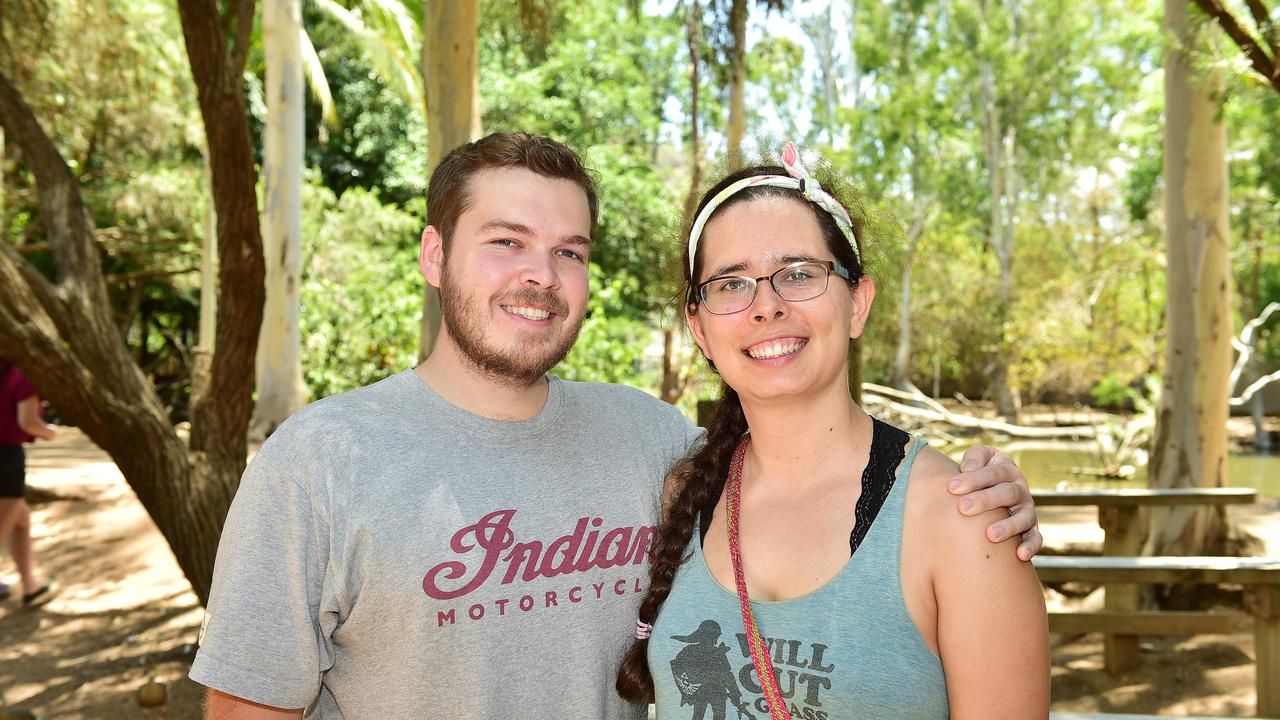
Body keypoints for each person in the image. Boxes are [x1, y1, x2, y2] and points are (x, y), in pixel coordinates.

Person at [190, 132, 1043, 719]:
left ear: (856, 301)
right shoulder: (321, 463)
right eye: (506, 241)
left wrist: (976, 500)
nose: (540, 275)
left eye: (570, 250)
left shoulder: (650, 443)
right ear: (433, 255)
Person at [616, 146, 1050, 719]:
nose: (766, 305)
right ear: (698, 327)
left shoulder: (962, 520)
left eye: (799, 274)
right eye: (730, 284)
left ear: (858, 303)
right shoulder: (684, 493)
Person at [0, 359, 58, 607]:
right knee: (5, 521)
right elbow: (28, 422)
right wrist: (51, 433)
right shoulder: (22, 373)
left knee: (21, 520)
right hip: (6, 457)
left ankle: (30, 587)